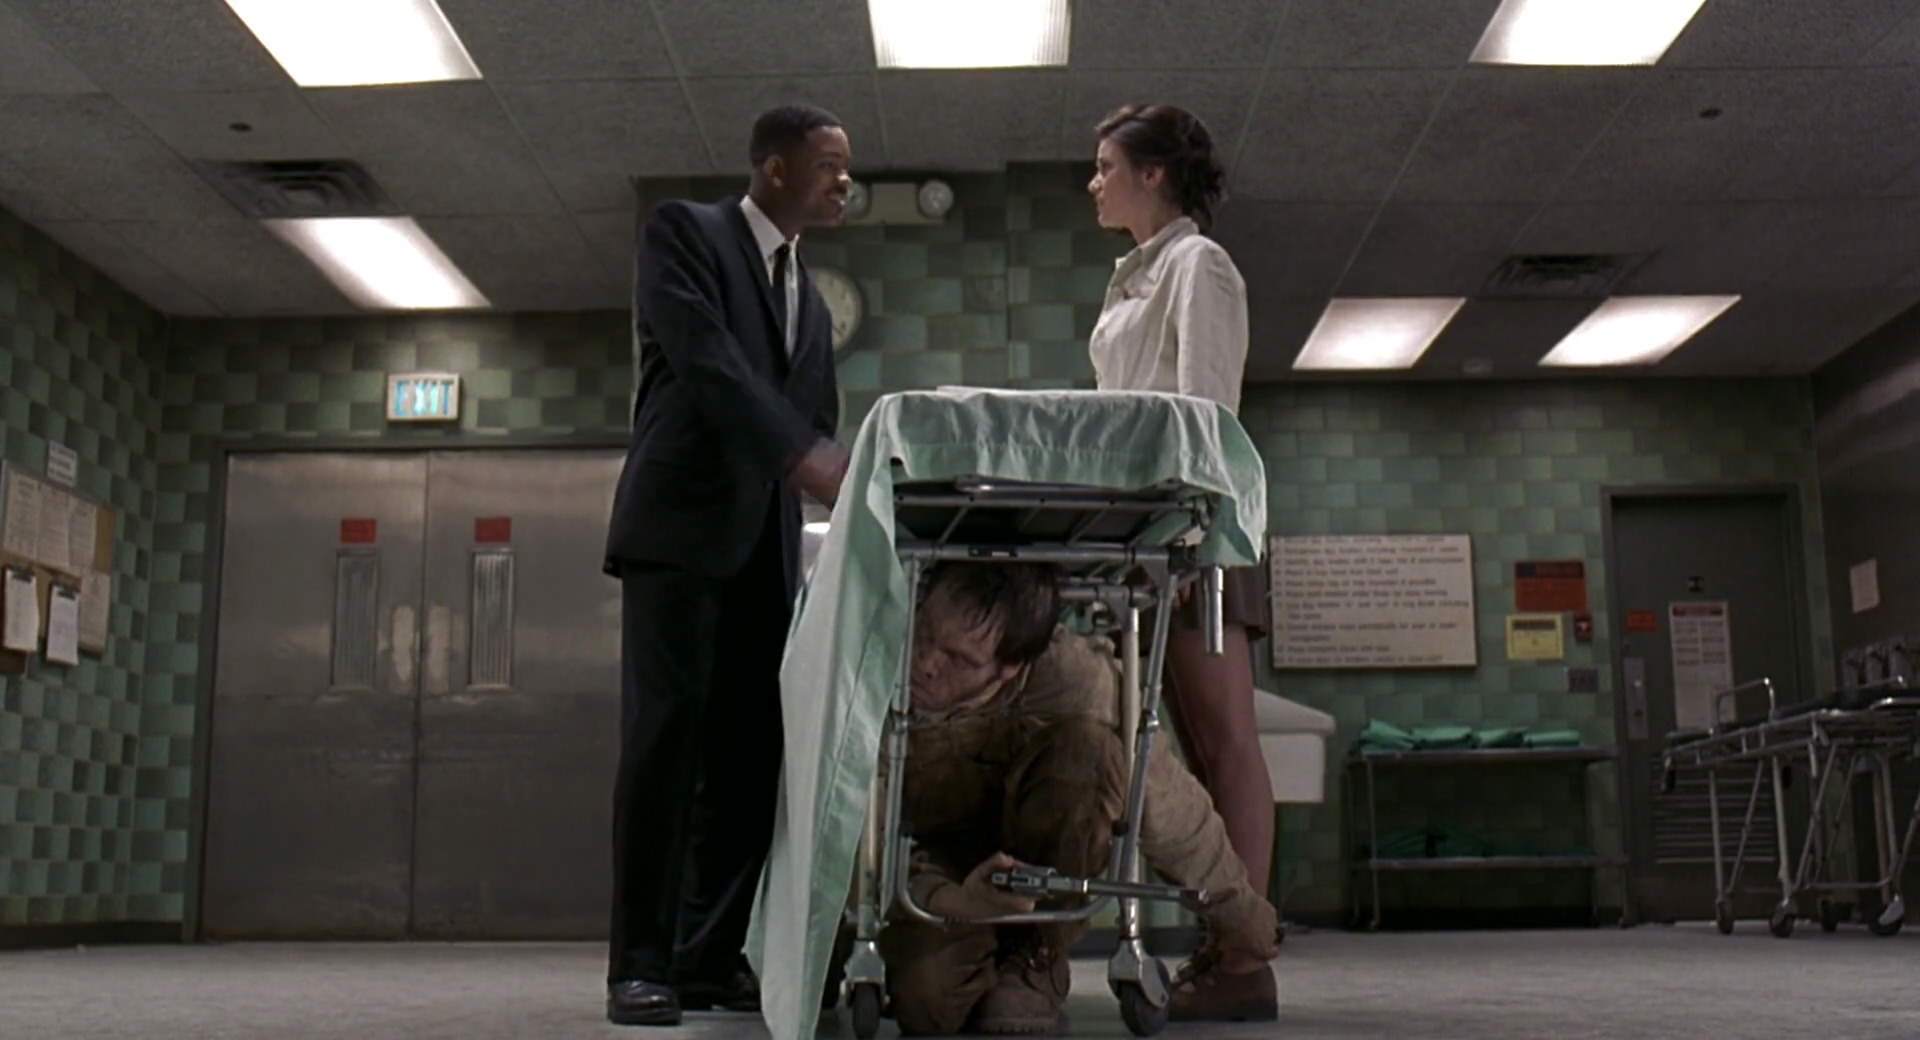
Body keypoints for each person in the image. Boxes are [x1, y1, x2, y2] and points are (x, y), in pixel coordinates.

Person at [602, 104, 853, 1028]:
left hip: (762, 547)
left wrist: (833, 465)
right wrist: (803, 456)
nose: (844, 182)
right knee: (666, 740)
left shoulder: (809, 298)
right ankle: (639, 964)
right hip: (679, 531)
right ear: (773, 168)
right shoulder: (684, 233)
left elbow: (816, 417)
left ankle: (705, 957)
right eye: (828, 165)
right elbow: (707, 363)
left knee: (751, 754)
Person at [876, 563, 1279, 1034]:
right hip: (938, 868)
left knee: (1091, 751)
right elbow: (859, 828)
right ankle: (978, 956)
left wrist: (1246, 919)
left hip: (1040, 862)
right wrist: (956, 902)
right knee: (928, 1006)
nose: (926, 664)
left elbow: (1167, 803)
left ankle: (1037, 957)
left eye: (958, 659)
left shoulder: (1070, 675)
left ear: (1008, 669)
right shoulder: (883, 665)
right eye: (926, 635)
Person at [1084, 104, 1276, 1008]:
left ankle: (1245, 962)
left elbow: (1207, 410)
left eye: (1106, 165)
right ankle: (1225, 948)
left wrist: (1195, 539)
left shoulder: (1199, 266)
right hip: (1150, 540)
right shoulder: (1132, 281)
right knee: (1193, 752)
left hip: (1197, 534)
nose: (1094, 182)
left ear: (1153, 174)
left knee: (1226, 741)